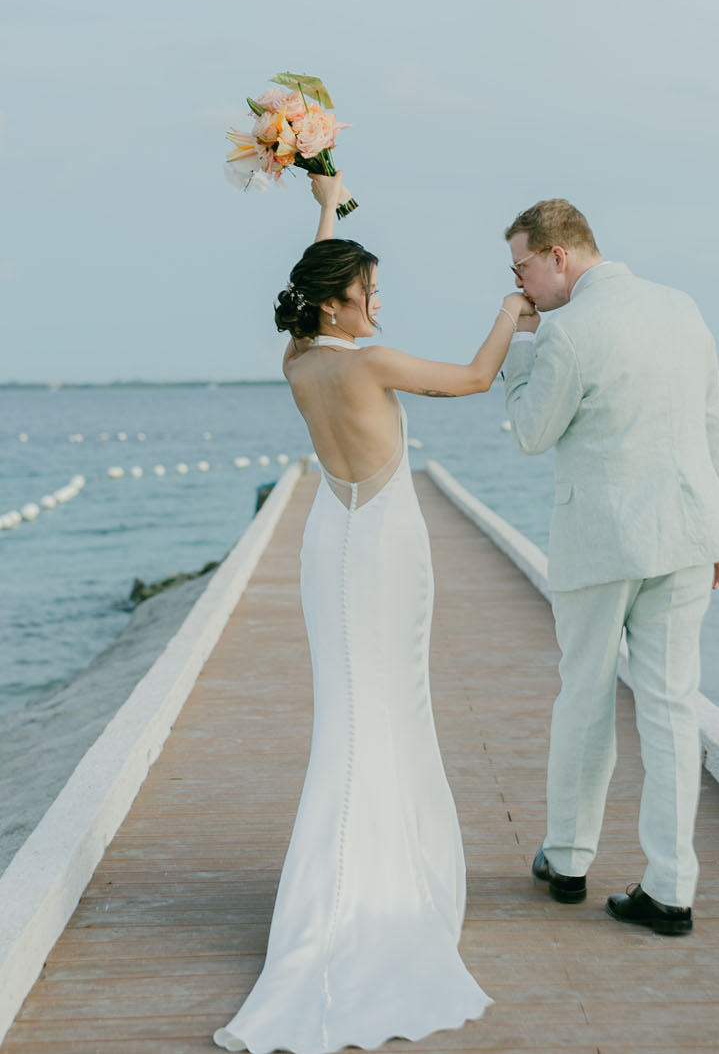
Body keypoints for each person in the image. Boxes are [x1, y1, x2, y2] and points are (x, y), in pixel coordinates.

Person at [214, 173, 534, 1054]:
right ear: (339, 302)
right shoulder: (371, 363)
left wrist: (326, 203)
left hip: (330, 541)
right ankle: (369, 898)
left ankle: (354, 882)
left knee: (352, 716)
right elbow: (473, 379)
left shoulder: (298, 359)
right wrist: (513, 309)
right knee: (388, 709)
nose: (379, 306)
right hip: (386, 544)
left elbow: (311, 285)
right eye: (370, 294)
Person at [502, 198, 719, 937]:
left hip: (603, 541)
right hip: (691, 531)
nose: (520, 285)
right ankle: (671, 892)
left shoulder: (565, 330)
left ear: (558, 256)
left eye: (522, 269)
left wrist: (519, 342)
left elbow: (533, 434)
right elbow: (712, 420)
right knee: (672, 709)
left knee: (586, 698)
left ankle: (569, 861)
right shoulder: (682, 307)